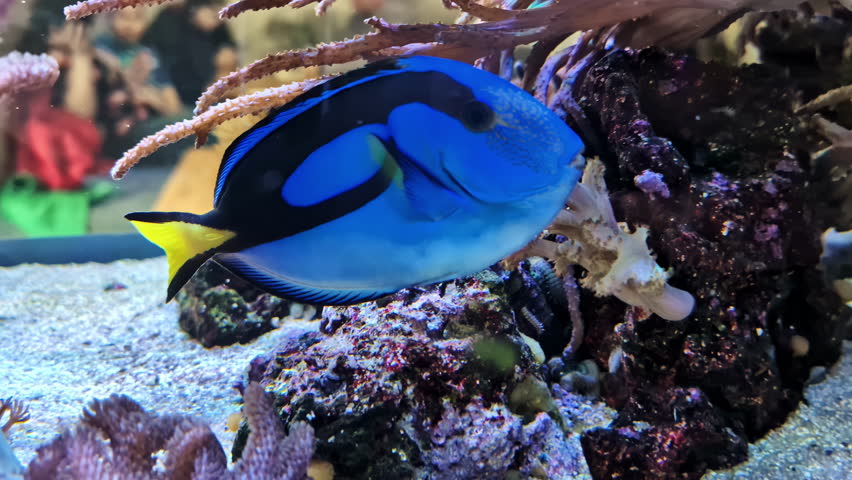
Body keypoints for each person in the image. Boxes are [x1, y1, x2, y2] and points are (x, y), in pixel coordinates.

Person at [143, 0, 238, 106]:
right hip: (173, 93)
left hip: (207, 93)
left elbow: (229, 49)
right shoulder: (168, 17)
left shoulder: (213, 20)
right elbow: (147, 51)